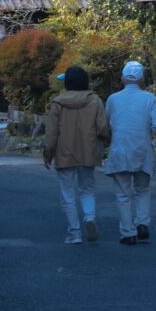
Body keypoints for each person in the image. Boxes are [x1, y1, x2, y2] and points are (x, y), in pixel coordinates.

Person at [43, 65, 110, 244]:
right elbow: (103, 127)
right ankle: (89, 217)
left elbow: (52, 132)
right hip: (88, 152)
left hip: (64, 153)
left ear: (67, 83)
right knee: (87, 189)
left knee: (68, 193)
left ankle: (74, 233)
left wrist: (48, 153)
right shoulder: (95, 101)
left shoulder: (57, 103)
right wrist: (106, 140)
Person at [104, 61, 156, 245]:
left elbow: (106, 123)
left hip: (120, 149)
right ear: (142, 79)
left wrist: (107, 141)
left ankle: (128, 233)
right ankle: (142, 223)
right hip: (143, 149)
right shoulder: (149, 98)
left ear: (123, 78)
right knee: (142, 190)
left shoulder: (113, 99)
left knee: (123, 194)